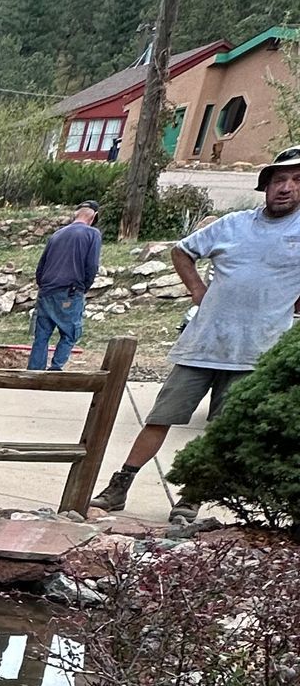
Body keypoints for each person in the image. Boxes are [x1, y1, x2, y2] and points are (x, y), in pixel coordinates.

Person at [92, 148, 300, 510]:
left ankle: (190, 502)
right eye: (279, 179)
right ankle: (118, 488)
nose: (286, 188)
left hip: (256, 353)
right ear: (265, 185)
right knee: (160, 419)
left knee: (221, 434)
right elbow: (182, 251)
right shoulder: (234, 224)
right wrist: (196, 290)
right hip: (203, 344)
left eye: (297, 181)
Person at [27, 200, 102, 371]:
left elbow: (42, 264)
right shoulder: (92, 234)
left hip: (47, 290)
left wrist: (42, 286)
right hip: (70, 291)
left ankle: (34, 372)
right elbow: (92, 265)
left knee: (42, 335)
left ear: (76, 214)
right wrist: (84, 287)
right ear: (94, 216)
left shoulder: (57, 234)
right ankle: (55, 370)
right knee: (70, 333)